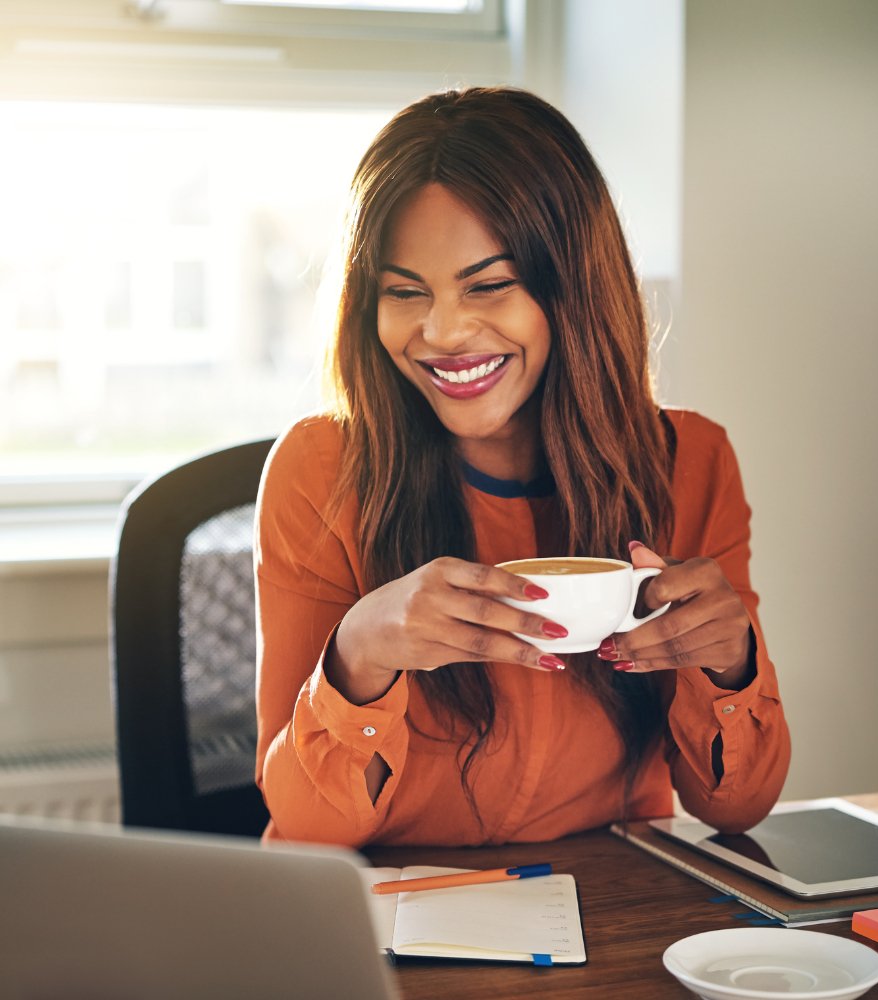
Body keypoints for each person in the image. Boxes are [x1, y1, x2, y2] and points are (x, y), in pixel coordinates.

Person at [254, 86, 790, 848]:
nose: (440, 331)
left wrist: (730, 663)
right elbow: (308, 829)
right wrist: (359, 652)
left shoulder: (689, 461)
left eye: (489, 286)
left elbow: (735, 808)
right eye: (404, 293)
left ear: (572, 286)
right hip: (386, 926)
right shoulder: (319, 470)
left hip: (604, 914)